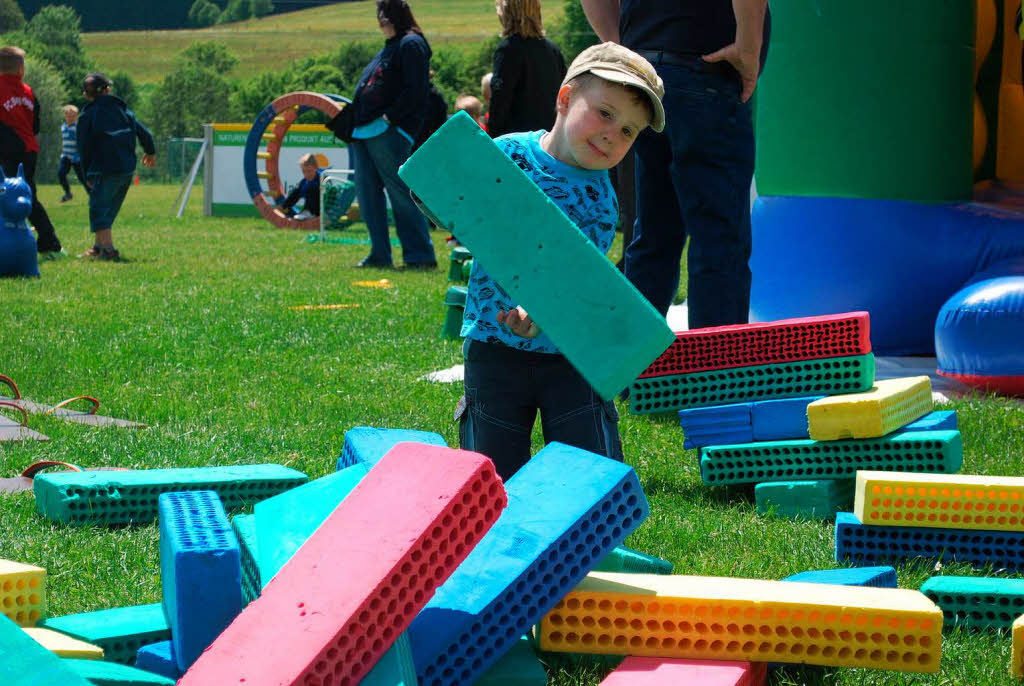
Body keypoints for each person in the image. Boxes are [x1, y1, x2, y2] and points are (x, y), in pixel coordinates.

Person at [457, 42, 665, 480]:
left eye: (629, 131)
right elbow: (466, 210)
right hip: (494, 345)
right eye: (606, 113)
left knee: (587, 475)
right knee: (492, 475)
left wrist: (542, 310)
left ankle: (591, 538)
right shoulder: (505, 155)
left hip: (570, 357)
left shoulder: (601, 202)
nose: (613, 134)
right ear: (566, 99)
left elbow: (571, 278)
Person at [581, 0, 770, 328]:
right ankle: (716, 374)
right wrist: (749, 47)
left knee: (654, 238)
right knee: (718, 241)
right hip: (706, 68)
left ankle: (628, 369)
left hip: (647, 70)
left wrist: (623, 52)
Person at [347, 0, 437, 269]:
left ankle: (419, 255)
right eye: (378, 14)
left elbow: (416, 91)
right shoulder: (392, 46)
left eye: (385, 14)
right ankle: (379, 254)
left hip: (389, 131)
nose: (380, 20)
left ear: (398, 16)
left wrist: (390, 119)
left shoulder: (411, 44)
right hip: (365, 130)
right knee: (367, 194)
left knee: (399, 194)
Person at [76, 72, 156, 262]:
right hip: (126, 168)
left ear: (87, 95)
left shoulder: (87, 114)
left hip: (103, 169)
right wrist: (150, 152)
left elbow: (83, 147)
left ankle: (109, 250)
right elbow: (144, 132)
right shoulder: (123, 109)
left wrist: (86, 172)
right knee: (108, 208)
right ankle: (98, 247)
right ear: (107, 89)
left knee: (98, 208)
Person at [0, 46, 64, 259]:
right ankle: (49, 243)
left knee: (8, 196)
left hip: (6, 151)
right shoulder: (28, 92)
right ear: (20, 69)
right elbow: (35, 126)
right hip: (28, 151)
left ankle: (46, 241)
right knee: (27, 196)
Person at [487, 0, 566, 138]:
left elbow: (500, 98)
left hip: (516, 141)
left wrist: (492, 136)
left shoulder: (508, 49)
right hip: (548, 138)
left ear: (507, 13)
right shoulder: (553, 51)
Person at [277, 153, 321, 220]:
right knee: (297, 190)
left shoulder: (322, 179)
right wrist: (283, 206)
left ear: (316, 168)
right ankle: (306, 212)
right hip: (312, 210)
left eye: (309, 171)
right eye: (304, 172)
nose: (307, 174)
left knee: (313, 188)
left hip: (323, 210)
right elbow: (295, 196)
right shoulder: (304, 182)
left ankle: (309, 212)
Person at [58, 105, 88, 202]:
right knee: (61, 174)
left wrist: (78, 155)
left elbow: (81, 142)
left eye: (74, 116)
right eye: (69, 116)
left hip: (76, 157)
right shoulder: (63, 127)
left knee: (82, 178)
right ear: (65, 116)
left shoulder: (78, 128)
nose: (71, 118)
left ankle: (92, 195)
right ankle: (68, 193)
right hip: (66, 156)